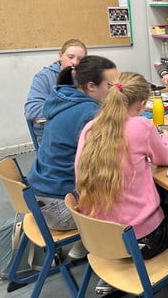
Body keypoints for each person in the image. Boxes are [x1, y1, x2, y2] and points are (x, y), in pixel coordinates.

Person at [75, 72, 168, 261]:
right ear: (141, 105)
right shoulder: (142, 126)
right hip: (140, 240)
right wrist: (167, 138)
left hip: (98, 237)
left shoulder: (90, 128)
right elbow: (166, 158)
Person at [26, 55, 118, 233]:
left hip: (40, 197)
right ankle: (95, 242)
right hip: (62, 209)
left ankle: (85, 245)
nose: (117, 89)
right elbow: (108, 164)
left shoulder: (63, 98)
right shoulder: (90, 113)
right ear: (91, 86)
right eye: (111, 85)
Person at [24, 39, 87, 144]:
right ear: (61, 56)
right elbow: (32, 110)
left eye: (80, 59)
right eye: (70, 57)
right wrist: (70, 112)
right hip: (51, 134)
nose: (75, 62)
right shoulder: (44, 77)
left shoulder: (87, 77)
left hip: (80, 129)